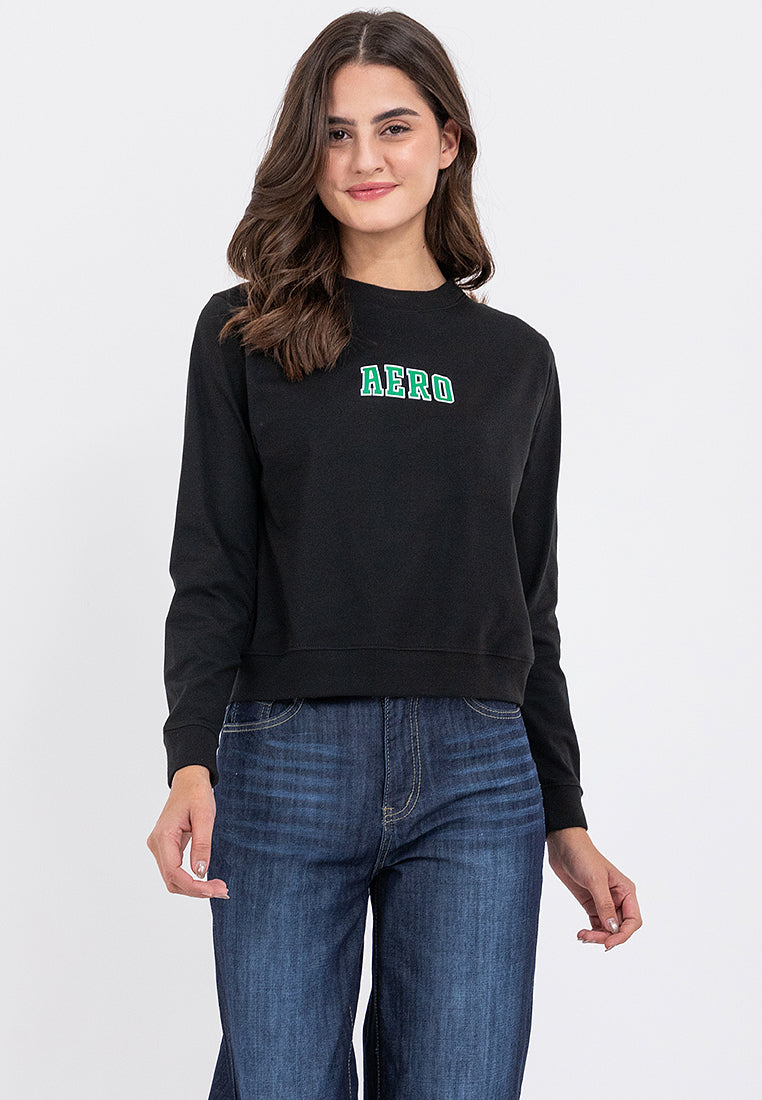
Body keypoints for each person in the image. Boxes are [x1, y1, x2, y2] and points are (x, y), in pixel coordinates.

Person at [147, 10, 642, 1098]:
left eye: (395, 126)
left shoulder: (515, 361)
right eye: (335, 133)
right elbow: (212, 566)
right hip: (287, 760)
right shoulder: (244, 332)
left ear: (448, 141)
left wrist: (566, 815)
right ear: (305, 150)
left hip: (480, 772)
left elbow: (529, 607)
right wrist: (189, 758)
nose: (364, 158)